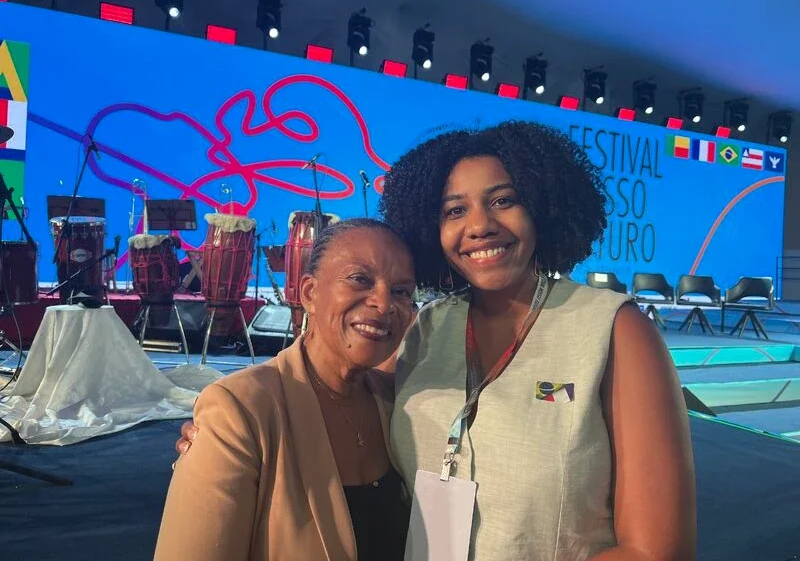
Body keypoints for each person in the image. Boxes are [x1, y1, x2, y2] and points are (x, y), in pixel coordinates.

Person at [176, 121, 696, 560]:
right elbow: (334, 400)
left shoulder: (613, 330)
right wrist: (228, 433)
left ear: (543, 207)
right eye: (454, 210)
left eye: (503, 201)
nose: (479, 226)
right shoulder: (424, 328)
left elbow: (657, 551)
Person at [155, 218, 417, 561]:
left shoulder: (396, 403)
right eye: (359, 279)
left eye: (401, 291)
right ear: (309, 293)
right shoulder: (240, 411)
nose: (384, 304)